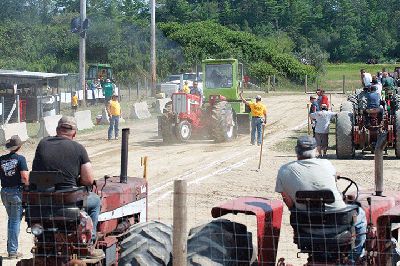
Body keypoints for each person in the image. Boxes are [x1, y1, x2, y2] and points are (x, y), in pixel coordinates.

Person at [275, 136, 366, 261]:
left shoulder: (283, 170)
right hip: (337, 224)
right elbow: (333, 177)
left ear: (296, 151)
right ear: (315, 150)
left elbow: (289, 204)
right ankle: (355, 257)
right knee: (361, 214)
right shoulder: (326, 164)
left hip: (307, 227)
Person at [32, 116, 104, 259]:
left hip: (43, 203)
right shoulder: (78, 148)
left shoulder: (42, 144)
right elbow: (88, 179)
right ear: (74, 133)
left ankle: (45, 243)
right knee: (95, 201)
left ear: (57, 130)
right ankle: (90, 242)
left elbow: (36, 172)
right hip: (68, 202)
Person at [0, 135, 29, 259]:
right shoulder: (20, 159)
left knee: (11, 220)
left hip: (5, 191)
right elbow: (25, 177)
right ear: (19, 146)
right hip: (16, 192)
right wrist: (28, 187)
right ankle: (12, 251)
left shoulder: (1, 159)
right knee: (15, 221)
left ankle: (11, 248)